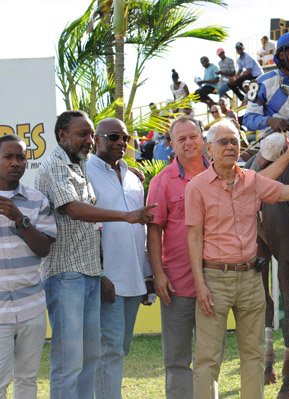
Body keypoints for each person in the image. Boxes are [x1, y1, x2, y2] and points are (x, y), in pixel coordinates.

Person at [185, 119, 289, 399]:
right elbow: (194, 239)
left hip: (251, 280)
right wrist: (201, 285)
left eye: (234, 141)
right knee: (208, 359)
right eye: (223, 142)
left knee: (254, 356)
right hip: (214, 279)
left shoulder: (252, 182)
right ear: (209, 148)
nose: (230, 146)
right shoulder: (196, 188)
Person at [34, 110, 154, 398]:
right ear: (62, 135)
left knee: (90, 359)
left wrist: (127, 170)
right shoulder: (54, 166)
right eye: (83, 134)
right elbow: (73, 208)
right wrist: (127, 217)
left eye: (90, 134)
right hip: (65, 275)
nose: (89, 140)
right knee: (69, 361)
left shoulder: (81, 166)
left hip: (89, 273)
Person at [87, 118, 152, 399]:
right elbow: (85, 227)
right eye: (113, 137)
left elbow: (143, 228)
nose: (120, 144)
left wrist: (148, 274)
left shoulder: (133, 177)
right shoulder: (84, 171)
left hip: (134, 276)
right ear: (97, 139)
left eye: (125, 138)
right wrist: (98, 274)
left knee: (120, 349)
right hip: (107, 279)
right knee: (109, 349)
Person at [146, 116, 210, 399]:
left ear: (202, 139)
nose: (188, 143)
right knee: (177, 360)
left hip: (216, 282)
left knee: (210, 358)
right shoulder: (162, 182)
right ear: (171, 144)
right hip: (178, 284)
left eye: (193, 136)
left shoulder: (221, 174)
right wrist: (158, 274)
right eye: (181, 138)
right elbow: (154, 231)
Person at [0, 134, 56, 399]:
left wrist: (19, 218)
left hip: (31, 307)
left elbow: (44, 248)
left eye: (21, 157)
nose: (15, 162)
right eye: (8, 156)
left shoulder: (37, 200)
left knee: (27, 379)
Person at [243, 32, 289, 171]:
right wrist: (270, 121)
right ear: (282, 55)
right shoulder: (260, 83)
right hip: (272, 141)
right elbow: (248, 120)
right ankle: (251, 183)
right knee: (276, 141)